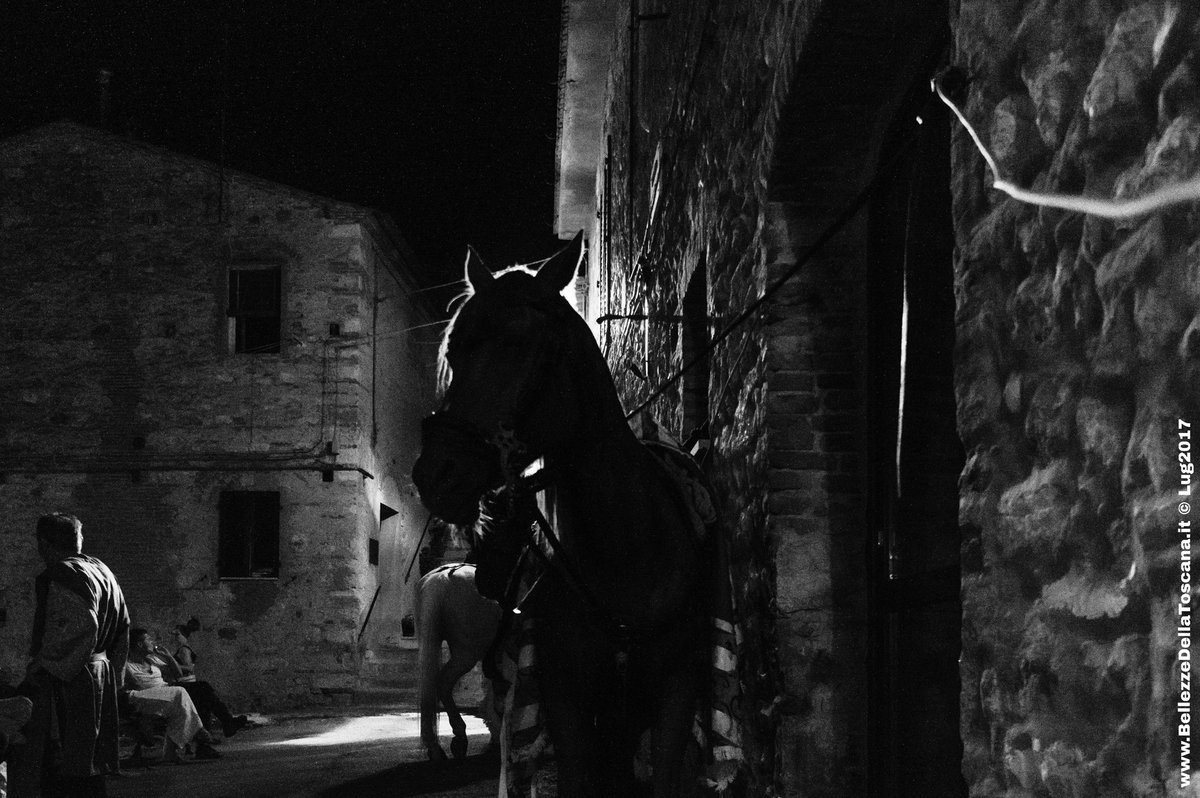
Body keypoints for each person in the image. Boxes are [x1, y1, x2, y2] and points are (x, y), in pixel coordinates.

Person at [8, 513, 130, 798]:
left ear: (43, 543)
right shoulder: (102, 570)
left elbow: (78, 627)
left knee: (64, 760)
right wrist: (117, 672)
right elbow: (123, 625)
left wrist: (41, 668)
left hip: (72, 679)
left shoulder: (65, 573)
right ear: (78, 538)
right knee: (88, 762)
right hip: (99, 671)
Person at [123, 629, 221, 762]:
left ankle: (197, 741)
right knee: (180, 693)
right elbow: (135, 687)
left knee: (202, 689)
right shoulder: (127, 666)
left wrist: (168, 656)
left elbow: (179, 675)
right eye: (149, 639)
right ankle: (198, 731)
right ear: (139, 644)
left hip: (167, 692)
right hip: (148, 696)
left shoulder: (152, 660)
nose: (153, 642)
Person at [169, 625, 247, 739]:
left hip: (185, 683)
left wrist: (170, 664)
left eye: (177, 635)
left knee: (203, 700)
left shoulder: (183, 649)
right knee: (205, 700)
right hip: (184, 685)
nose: (174, 638)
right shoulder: (179, 649)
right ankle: (226, 723)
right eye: (173, 635)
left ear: (184, 636)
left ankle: (222, 726)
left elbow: (189, 667)